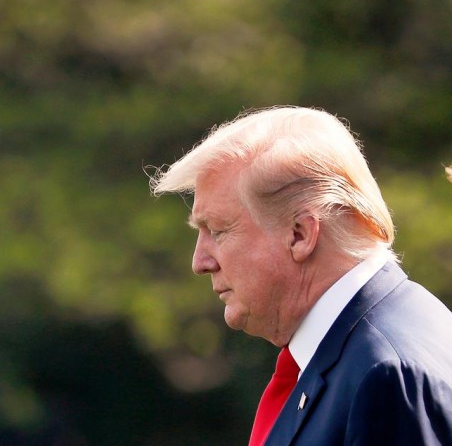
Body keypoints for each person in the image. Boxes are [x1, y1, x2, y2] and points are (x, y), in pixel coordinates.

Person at [149, 106, 452, 445]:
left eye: (217, 230)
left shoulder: (386, 375)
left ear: (300, 235)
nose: (200, 262)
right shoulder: (364, 351)